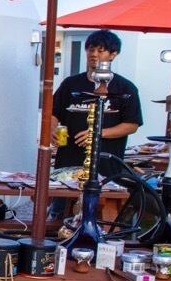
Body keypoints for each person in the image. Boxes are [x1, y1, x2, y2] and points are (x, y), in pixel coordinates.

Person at [49, 29, 142, 221]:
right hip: (68, 163)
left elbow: (132, 124)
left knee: (103, 216)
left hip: (106, 165)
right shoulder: (71, 84)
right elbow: (53, 112)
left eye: (101, 50)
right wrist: (52, 129)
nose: (94, 54)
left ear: (113, 54)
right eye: (90, 49)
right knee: (59, 213)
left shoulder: (125, 88)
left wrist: (98, 133)